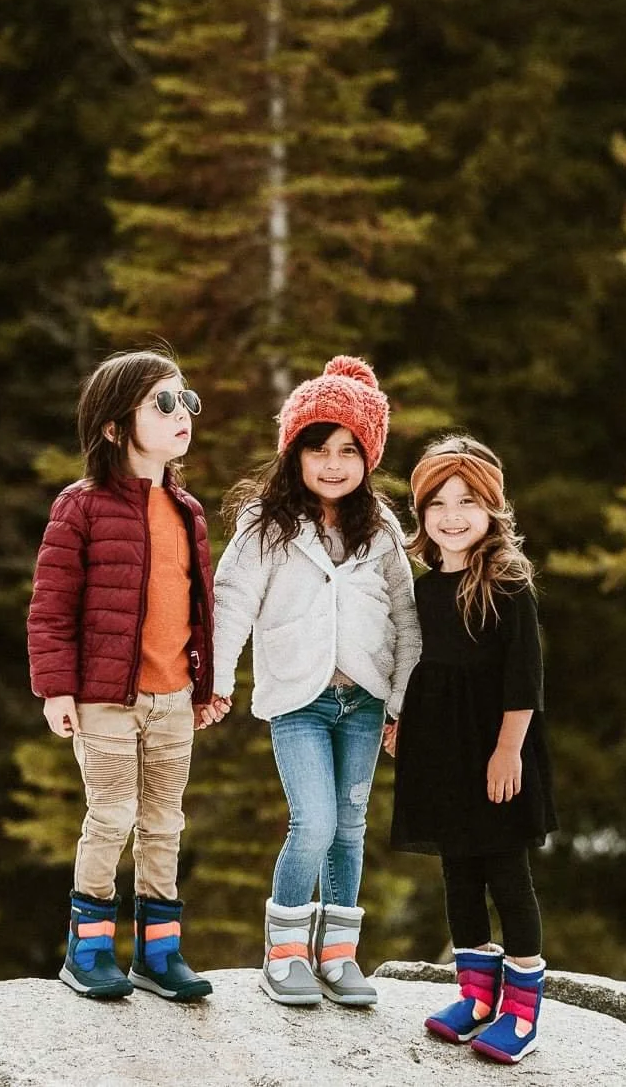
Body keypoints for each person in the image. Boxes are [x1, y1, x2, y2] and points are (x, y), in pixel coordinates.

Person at [212, 355, 422, 1007]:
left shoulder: (381, 528)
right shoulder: (265, 523)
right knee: (313, 823)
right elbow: (231, 601)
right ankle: (283, 952)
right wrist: (217, 679)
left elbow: (407, 620)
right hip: (299, 699)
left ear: (369, 458)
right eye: (319, 448)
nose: (334, 464)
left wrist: (402, 706)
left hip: (363, 699)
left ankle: (338, 955)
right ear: (294, 451)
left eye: (349, 451)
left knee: (351, 826)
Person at [26, 347, 229, 1001]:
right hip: (103, 698)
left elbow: (200, 607)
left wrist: (204, 686)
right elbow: (51, 605)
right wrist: (56, 687)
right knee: (111, 814)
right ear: (115, 427)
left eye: (186, 401)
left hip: (172, 698)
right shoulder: (81, 507)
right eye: (162, 404)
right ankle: (87, 951)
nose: (182, 414)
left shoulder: (187, 511)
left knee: (165, 821)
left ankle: (158, 953)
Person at [391, 435, 556, 1063]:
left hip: (497, 750)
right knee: (457, 871)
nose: (452, 515)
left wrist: (507, 751)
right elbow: (420, 664)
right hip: (440, 747)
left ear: (492, 509)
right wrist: (401, 721)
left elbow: (524, 679)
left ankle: (521, 1011)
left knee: (506, 875)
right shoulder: (426, 587)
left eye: (467, 501)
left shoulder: (509, 585)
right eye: (437, 503)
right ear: (421, 513)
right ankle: (476, 996)